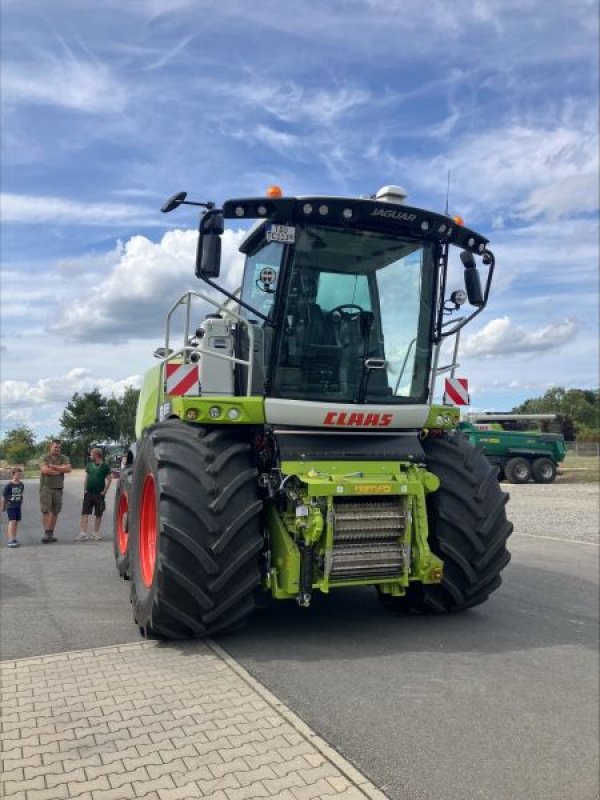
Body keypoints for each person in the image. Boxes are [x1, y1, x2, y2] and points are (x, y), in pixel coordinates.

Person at [76, 447, 112, 542]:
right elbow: (86, 478)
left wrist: (105, 491)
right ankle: (82, 533)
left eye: (91, 454)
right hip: (88, 493)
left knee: (98, 514)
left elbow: (109, 479)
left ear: (96, 455)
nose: (90, 456)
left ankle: (96, 533)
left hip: (99, 494)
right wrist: (85, 489)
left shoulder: (105, 466)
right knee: (84, 513)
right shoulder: (89, 465)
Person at [39, 439, 72, 543]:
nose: (57, 449)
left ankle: (50, 533)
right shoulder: (45, 457)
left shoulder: (64, 458)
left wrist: (53, 466)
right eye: (55, 447)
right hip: (46, 487)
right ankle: (46, 533)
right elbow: (45, 470)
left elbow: (68, 469)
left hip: (58, 487)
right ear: (51, 447)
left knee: (55, 511)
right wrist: (61, 469)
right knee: (46, 510)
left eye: (59, 447)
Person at [2, 467, 25, 548]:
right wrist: (3, 506)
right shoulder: (9, 485)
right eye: (17, 474)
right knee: (12, 521)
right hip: (10, 506)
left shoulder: (21, 484)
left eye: (20, 474)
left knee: (16, 522)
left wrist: (21, 501)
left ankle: (14, 538)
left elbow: (21, 493)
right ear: (13, 475)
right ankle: (10, 539)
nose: (18, 476)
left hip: (18, 506)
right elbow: (3, 496)